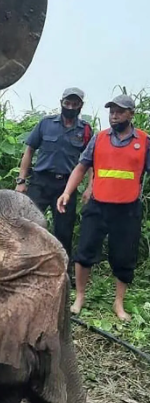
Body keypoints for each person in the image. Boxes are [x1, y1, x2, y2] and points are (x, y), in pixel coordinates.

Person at [57, 94, 149, 322]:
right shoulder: (99, 139)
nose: (114, 115)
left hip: (127, 209)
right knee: (85, 251)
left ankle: (118, 303)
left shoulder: (145, 142)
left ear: (131, 114)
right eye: (112, 111)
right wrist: (67, 192)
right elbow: (81, 167)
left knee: (124, 256)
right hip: (98, 205)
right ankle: (79, 297)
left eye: (119, 111)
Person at [16, 87, 93, 263]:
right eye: (67, 103)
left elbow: (89, 161)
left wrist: (90, 186)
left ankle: (63, 271)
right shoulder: (46, 123)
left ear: (81, 106)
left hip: (66, 186)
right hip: (40, 183)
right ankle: (24, 264)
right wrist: (21, 181)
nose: (71, 107)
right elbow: (29, 151)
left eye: (75, 104)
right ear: (61, 103)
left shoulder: (86, 130)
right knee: (29, 225)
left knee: (64, 231)